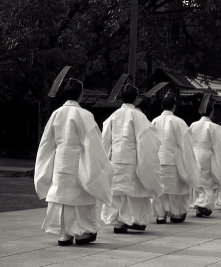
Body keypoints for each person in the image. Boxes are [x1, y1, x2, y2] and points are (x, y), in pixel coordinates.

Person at [34, 79, 114, 246]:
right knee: (79, 199)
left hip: (60, 162)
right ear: (81, 94)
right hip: (78, 163)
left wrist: (44, 169)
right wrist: (101, 166)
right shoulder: (85, 115)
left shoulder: (56, 114)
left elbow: (46, 144)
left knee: (62, 198)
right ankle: (82, 233)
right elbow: (93, 145)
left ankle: (64, 234)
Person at [101, 85, 164, 233]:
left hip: (116, 159)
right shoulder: (139, 116)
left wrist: (105, 160)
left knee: (120, 193)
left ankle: (119, 222)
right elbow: (147, 140)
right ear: (136, 99)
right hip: (133, 159)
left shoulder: (113, 116)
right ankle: (133, 219)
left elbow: (105, 140)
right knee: (133, 192)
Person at [151, 94, 200, 224]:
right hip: (173, 160)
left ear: (162, 106)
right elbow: (186, 144)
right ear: (174, 106)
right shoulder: (179, 122)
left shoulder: (154, 121)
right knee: (176, 189)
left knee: (160, 189)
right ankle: (176, 213)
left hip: (158, 160)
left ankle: (160, 215)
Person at [190, 102, 221, 217]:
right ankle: (204, 203)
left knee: (197, 179)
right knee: (207, 180)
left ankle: (199, 201)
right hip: (206, 154)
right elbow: (218, 145)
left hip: (194, 153)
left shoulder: (193, 125)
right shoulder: (214, 127)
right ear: (211, 112)